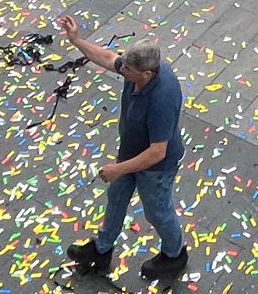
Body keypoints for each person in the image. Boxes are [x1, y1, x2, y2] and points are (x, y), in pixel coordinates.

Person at [57, 26, 189, 283]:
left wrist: (118, 169)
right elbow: (108, 58)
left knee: (157, 212)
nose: (122, 71)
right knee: (116, 197)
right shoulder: (135, 70)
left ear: (147, 73)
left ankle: (174, 255)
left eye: (128, 70)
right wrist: (76, 41)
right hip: (130, 153)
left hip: (156, 167)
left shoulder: (163, 97)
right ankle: (101, 250)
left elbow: (157, 152)